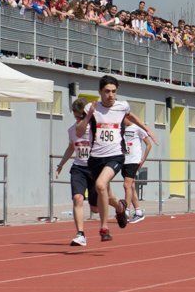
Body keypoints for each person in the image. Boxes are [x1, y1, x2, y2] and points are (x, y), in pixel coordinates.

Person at [83, 75, 157, 241]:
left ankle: (104, 228)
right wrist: (87, 117)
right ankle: (120, 207)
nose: (111, 95)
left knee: (101, 185)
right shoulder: (91, 107)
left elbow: (132, 116)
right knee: (104, 199)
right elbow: (80, 130)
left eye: (114, 91)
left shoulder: (122, 106)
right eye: (107, 91)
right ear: (100, 92)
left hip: (115, 155)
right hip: (95, 158)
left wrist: (147, 129)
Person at [56, 99, 97, 247]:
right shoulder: (72, 130)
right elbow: (71, 147)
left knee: (95, 209)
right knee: (77, 198)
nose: (78, 120)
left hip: (95, 169)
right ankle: (80, 234)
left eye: (81, 117)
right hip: (78, 168)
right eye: (76, 117)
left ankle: (118, 206)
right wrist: (60, 165)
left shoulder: (95, 128)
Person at [122, 115, 153, 224]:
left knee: (126, 185)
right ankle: (138, 212)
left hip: (134, 160)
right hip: (124, 160)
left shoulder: (137, 127)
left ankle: (125, 211)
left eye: (122, 118)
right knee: (131, 186)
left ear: (128, 117)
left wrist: (142, 160)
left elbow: (149, 144)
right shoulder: (122, 128)